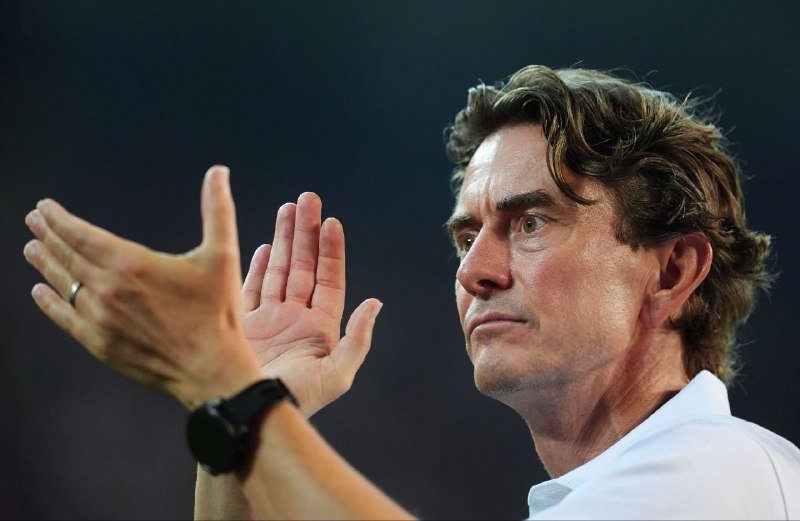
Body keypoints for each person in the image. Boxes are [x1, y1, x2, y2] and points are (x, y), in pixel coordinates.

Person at [22, 65, 800, 519]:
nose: (474, 270)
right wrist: (242, 417)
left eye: (531, 222)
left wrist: (227, 389)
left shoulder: (718, 474)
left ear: (672, 270)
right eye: (467, 235)